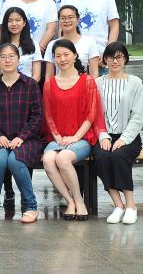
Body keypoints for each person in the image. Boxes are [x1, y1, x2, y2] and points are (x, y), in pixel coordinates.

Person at [42, 39, 106, 221]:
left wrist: (75, 137)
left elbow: (91, 114)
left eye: (66, 54)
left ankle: (79, 201)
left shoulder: (87, 81)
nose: (62, 59)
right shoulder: (49, 84)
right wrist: (57, 136)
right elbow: (48, 115)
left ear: (75, 55)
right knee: (48, 159)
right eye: (58, 56)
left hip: (82, 138)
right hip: (58, 138)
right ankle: (70, 200)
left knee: (62, 158)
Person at [0, 43, 42, 223]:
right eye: (3, 57)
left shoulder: (30, 85)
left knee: (15, 160)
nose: (7, 60)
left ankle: (30, 206)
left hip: (27, 139)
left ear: (18, 60)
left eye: (11, 56)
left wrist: (21, 137)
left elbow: (37, 116)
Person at [95, 42, 143, 225]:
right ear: (105, 60)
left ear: (125, 59)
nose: (115, 61)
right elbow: (94, 114)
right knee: (101, 157)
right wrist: (103, 135)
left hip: (128, 136)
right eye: (111, 57)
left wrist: (124, 139)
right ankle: (118, 205)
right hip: (105, 135)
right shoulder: (97, 83)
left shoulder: (135, 82)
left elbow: (138, 116)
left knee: (118, 156)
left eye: (119, 57)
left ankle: (131, 205)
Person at [44, 5, 100, 76]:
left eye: (70, 17)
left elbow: (94, 74)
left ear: (78, 19)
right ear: (59, 21)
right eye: (63, 18)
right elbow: (49, 76)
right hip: (59, 82)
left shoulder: (89, 42)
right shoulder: (52, 44)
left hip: (83, 82)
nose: (67, 21)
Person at [0, 7, 43, 80]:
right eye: (10, 21)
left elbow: (36, 77)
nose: (14, 24)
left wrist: (25, 86)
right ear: (5, 24)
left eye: (18, 20)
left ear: (24, 23)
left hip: (28, 86)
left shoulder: (34, 45)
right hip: (3, 86)